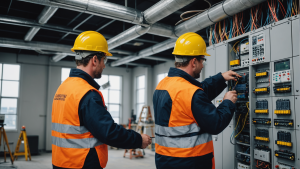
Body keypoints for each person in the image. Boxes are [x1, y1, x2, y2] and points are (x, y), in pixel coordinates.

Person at [52, 31, 151, 169]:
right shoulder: (87, 94)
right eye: (104, 60)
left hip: (60, 163)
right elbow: (109, 132)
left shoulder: (63, 88)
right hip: (81, 164)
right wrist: (138, 140)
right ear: (94, 60)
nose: (104, 65)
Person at [153, 32, 240, 169]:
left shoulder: (163, 85)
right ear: (194, 62)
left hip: (164, 161)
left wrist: (220, 78)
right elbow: (215, 123)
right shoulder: (190, 92)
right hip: (189, 162)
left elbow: (196, 95)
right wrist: (227, 103)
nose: (203, 65)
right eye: (202, 60)